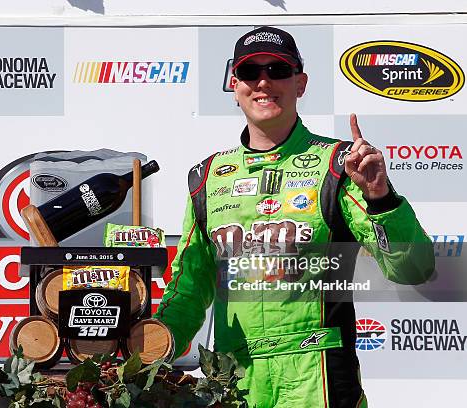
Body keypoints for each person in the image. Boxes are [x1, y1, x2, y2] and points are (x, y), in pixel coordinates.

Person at [153, 26, 435, 408]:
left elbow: (413, 269)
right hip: (238, 383)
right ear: (235, 85)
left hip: (317, 378)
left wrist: (381, 198)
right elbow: (188, 290)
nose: (264, 81)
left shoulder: (339, 165)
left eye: (278, 70)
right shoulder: (207, 178)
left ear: (300, 83)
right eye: (251, 72)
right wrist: (147, 350)